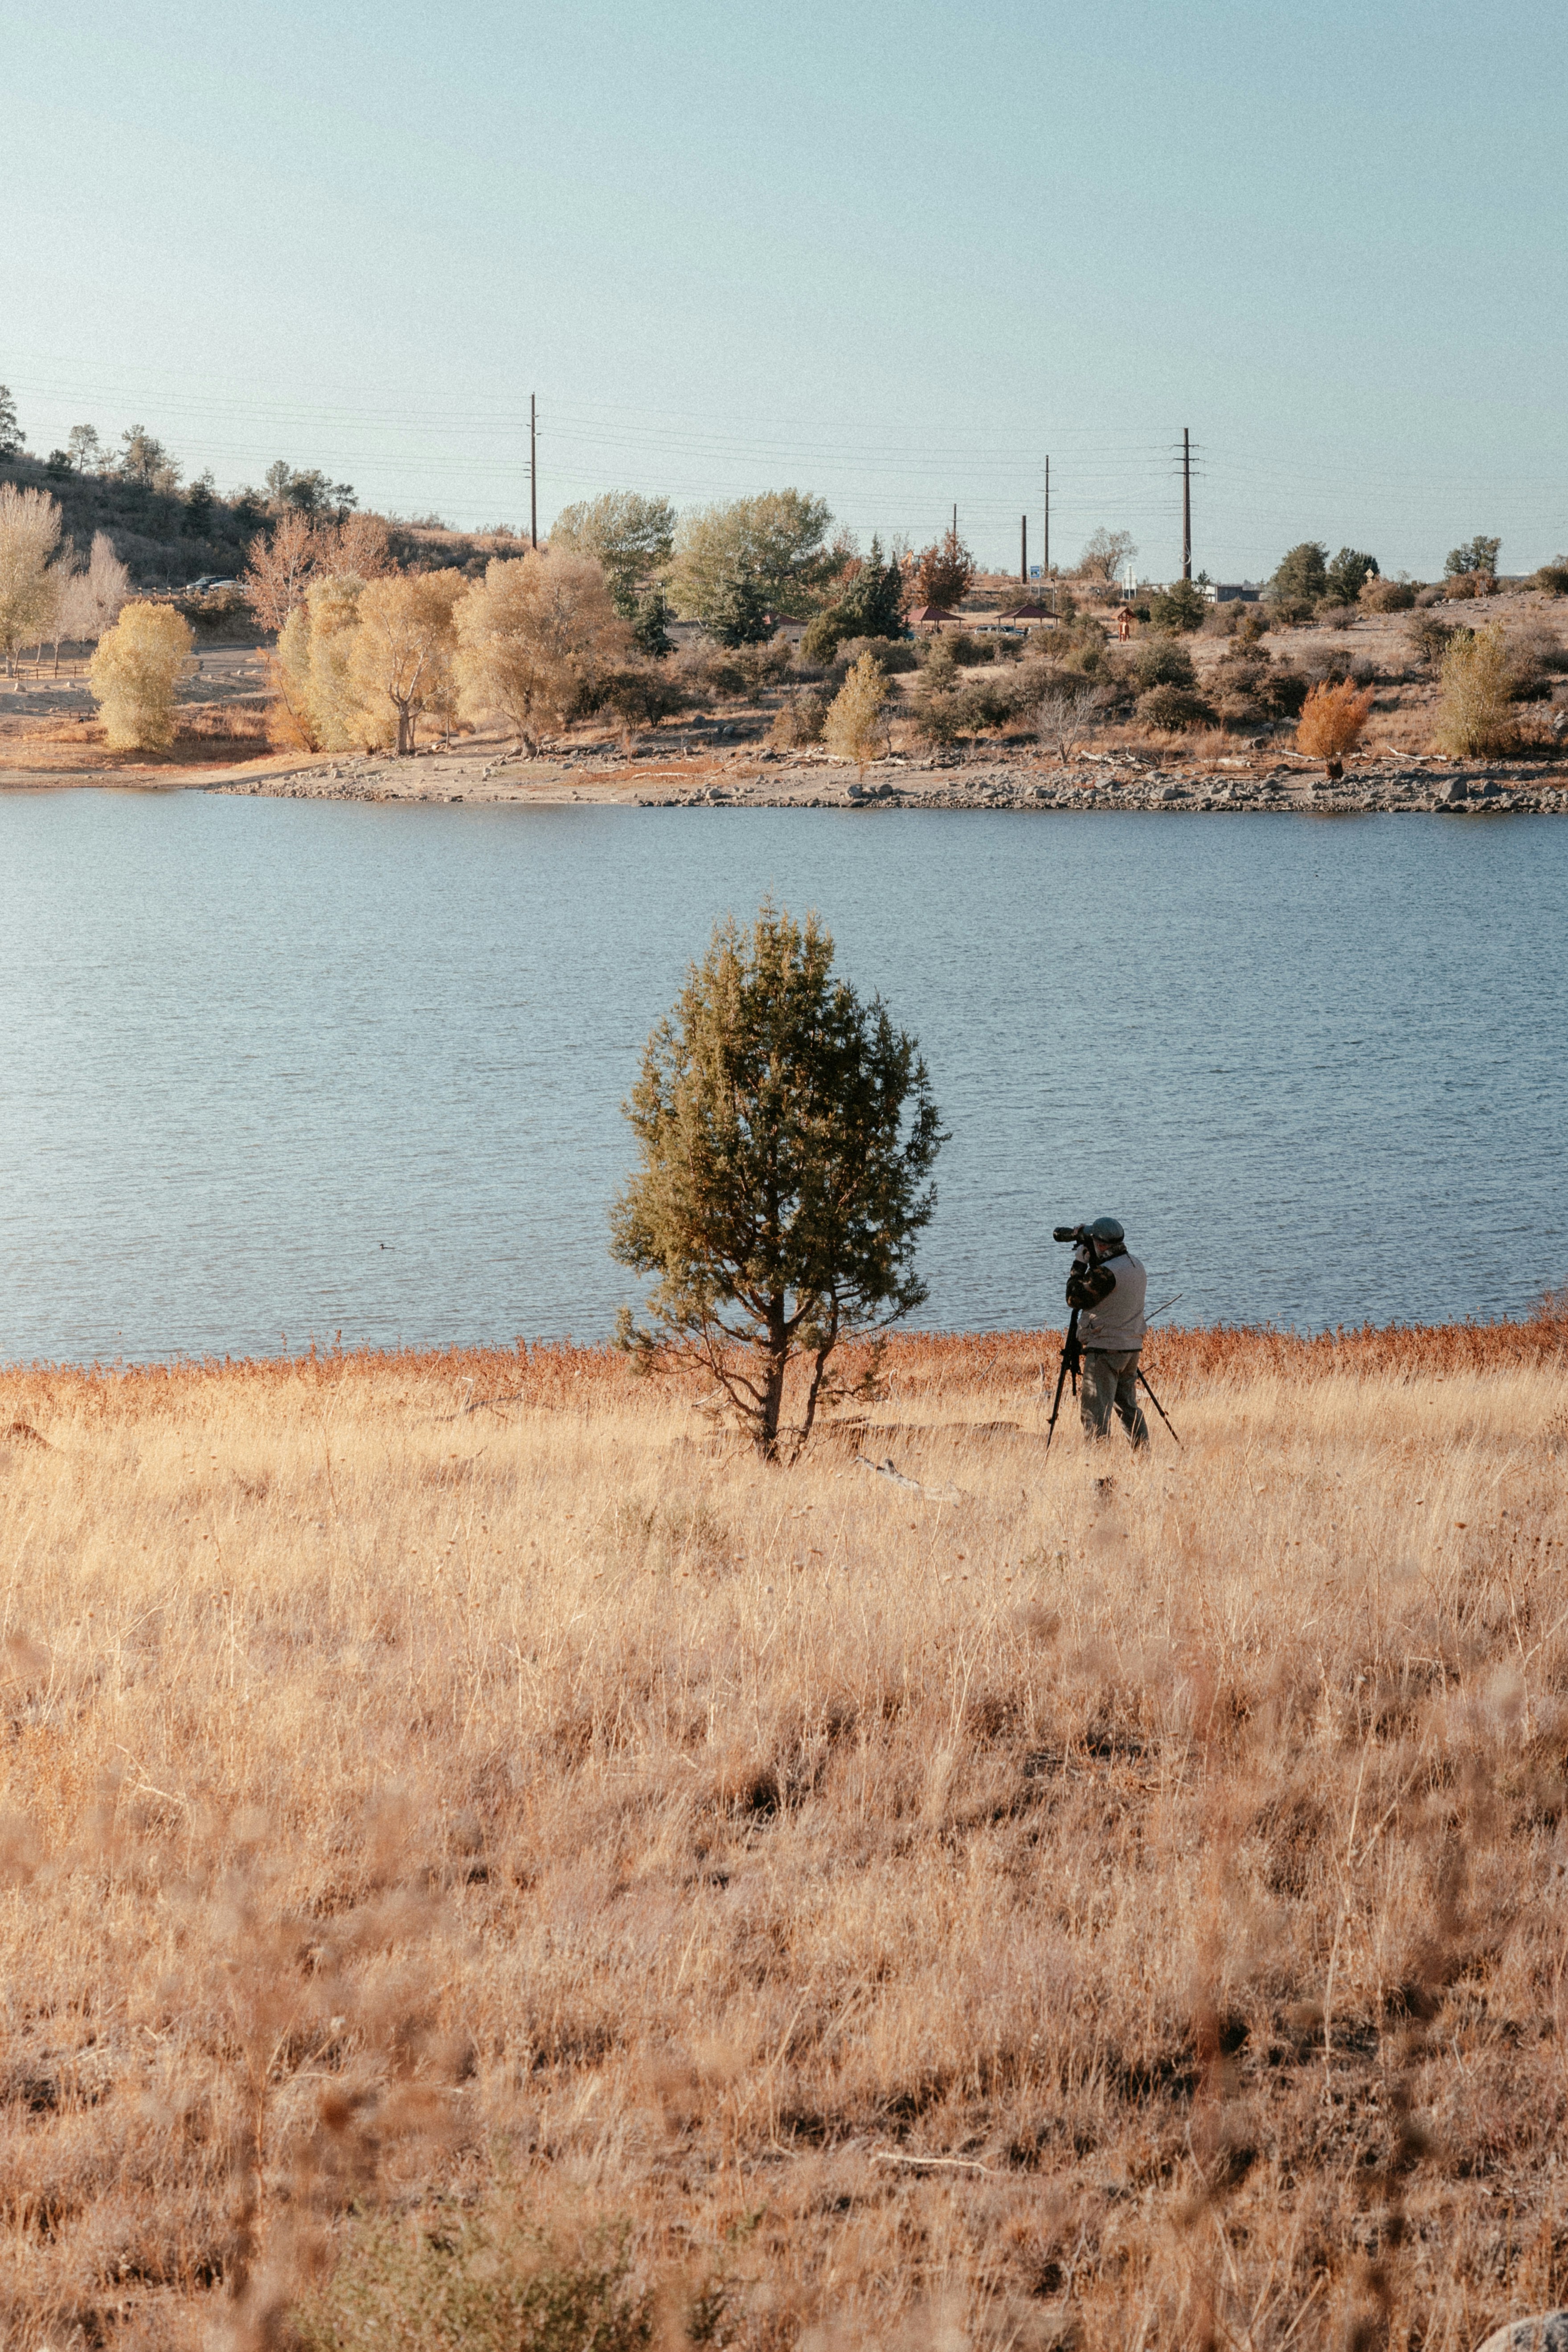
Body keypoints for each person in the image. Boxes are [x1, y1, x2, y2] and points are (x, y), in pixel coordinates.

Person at [1064, 1216, 1149, 1448]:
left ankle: (1098, 1461)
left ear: (1101, 1245)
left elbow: (1074, 1298)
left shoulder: (1105, 1274)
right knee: (1128, 1407)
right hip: (1131, 1347)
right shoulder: (1136, 1265)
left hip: (1105, 1349)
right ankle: (1143, 1455)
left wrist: (1079, 1266)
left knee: (1095, 1412)